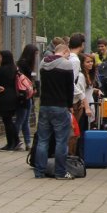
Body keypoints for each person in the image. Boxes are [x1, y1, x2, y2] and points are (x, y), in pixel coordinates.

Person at [34, 44, 76, 180]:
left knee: (42, 140)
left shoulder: (42, 63)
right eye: (68, 54)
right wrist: (70, 105)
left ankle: (39, 172)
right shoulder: (66, 64)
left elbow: (40, 84)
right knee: (61, 141)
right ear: (64, 52)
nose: (68, 57)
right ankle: (60, 172)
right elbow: (70, 88)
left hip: (45, 105)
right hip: (60, 106)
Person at [14, 43, 39, 150]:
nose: (36, 57)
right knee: (21, 119)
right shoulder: (24, 64)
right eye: (35, 54)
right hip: (24, 96)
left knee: (25, 120)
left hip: (27, 95)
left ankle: (28, 142)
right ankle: (15, 140)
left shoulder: (24, 64)